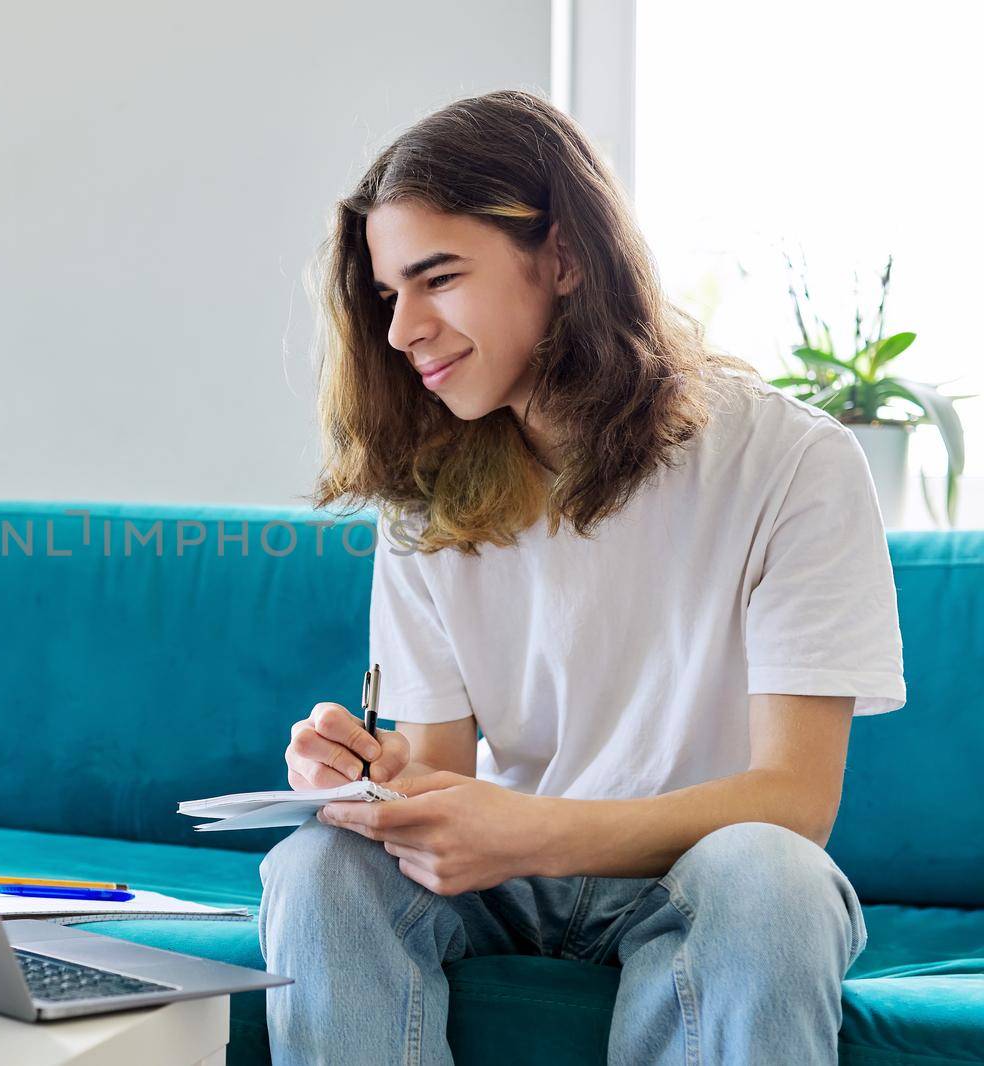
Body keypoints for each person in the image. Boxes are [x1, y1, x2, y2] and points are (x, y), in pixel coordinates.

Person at [260, 88, 905, 1066]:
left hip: (695, 872)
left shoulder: (791, 463)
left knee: (770, 872)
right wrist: (371, 778)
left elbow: (793, 799)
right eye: (390, 295)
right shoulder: (428, 495)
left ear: (561, 258)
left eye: (436, 278)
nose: (401, 331)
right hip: (507, 882)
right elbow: (438, 768)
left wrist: (526, 833)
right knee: (318, 866)